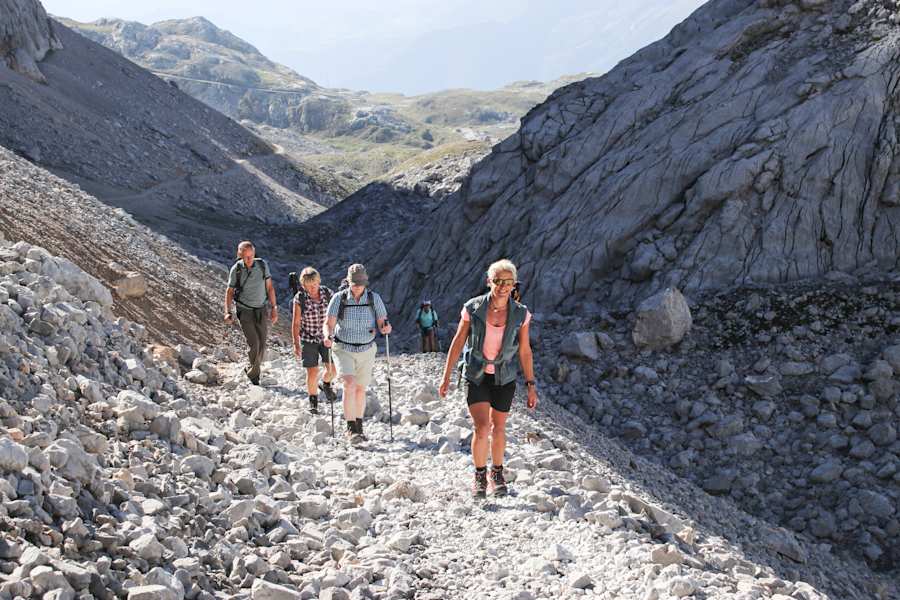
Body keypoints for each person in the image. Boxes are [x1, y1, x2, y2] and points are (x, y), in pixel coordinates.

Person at [439, 259, 538, 498]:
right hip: (475, 373)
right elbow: (458, 341)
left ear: (514, 284)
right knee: (482, 427)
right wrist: (446, 376)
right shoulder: (473, 308)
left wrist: (531, 384)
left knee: (499, 427)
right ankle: (480, 476)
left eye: (508, 282)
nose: (503, 286)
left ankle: (497, 473)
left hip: (504, 376)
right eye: (498, 281)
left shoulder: (521, 314)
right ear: (489, 282)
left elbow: (525, 350)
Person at [323, 264, 391, 443]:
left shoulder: (373, 298)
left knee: (361, 389)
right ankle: (350, 428)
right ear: (349, 282)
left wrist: (385, 328)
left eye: (361, 283)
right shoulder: (339, 298)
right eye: (355, 283)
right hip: (343, 348)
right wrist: (327, 335)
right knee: (349, 384)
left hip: (367, 349)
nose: (358, 287)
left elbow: (382, 321)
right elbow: (329, 324)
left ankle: (359, 427)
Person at [224, 241, 277, 385]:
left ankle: (251, 369)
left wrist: (274, 308)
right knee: (254, 343)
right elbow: (229, 292)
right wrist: (228, 312)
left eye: (251, 256)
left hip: (261, 309)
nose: (248, 260)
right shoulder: (236, 270)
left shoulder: (262, 265)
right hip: (244, 310)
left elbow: (270, 288)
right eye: (245, 257)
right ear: (239, 255)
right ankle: (255, 376)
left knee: (263, 343)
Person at [291, 267, 337, 415]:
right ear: (303, 285)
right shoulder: (300, 298)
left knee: (333, 370)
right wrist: (296, 343)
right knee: (312, 371)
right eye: (308, 286)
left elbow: (337, 313)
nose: (312, 288)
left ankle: (326, 383)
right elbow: (296, 323)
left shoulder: (328, 293)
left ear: (319, 281)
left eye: (315, 284)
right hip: (308, 338)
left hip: (326, 338)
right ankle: (313, 401)